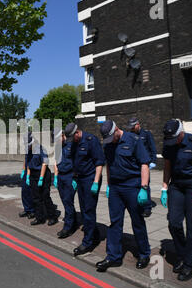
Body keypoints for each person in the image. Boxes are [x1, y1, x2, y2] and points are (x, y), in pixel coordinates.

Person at [96, 120, 151, 272]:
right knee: (115, 222)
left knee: (137, 221)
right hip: (115, 188)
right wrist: (108, 185)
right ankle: (113, 257)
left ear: (117, 130)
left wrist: (144, 188)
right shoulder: (108, 144)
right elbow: (109, 165)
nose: (109, 141)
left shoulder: (134, 140)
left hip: (132, 186)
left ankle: (144, 254)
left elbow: (144, 164)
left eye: (110, 137)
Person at [161, 119, 192, 281]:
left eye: (174, 138)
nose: (172, 142)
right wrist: (164, 187)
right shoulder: (169, 143)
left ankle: (190, 264)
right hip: (176, 186)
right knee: (174, 222)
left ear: (181, 132)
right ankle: (182, 254)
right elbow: (167, 165)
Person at [65, 123, 105, 256]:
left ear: (77, 132)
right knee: (84, 209)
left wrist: (95, 182)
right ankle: (95, 233)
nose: (72, 141)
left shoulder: (91, 140)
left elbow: (99, 162)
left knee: (88, 209)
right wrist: (75, 178)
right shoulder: (74, 143)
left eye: (73, 138)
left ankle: (88, 242)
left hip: (90, 179)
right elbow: (75, 162)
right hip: (80, 179)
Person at [127, 117, 158, 218]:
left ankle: (147, 208)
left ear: (138, 124)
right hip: (134, 165)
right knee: (135, 185)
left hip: (145, 164)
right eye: (130, 127)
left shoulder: (146, 134)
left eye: (133, 126)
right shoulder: (130, 134)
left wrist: (153, 161)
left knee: (145, 186)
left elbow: (152, 148)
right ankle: (138, 204)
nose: (131, 129)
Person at [26, 134, 60, 226]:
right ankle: (39, 217)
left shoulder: (41, 149)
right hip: (33, 174)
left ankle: (52, 217)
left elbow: (45, 164)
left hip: (43, 174)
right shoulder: (28, 150)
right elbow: (28, 164)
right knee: (36, 198)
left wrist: (41, 178)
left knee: (45, 197)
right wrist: (28, 176)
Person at [53, 128, 78, 238]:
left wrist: (75, 178)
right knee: (65, 201)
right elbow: (55, 161)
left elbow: (77, 161)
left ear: (63, 135)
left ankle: (68, 227)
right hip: (61, 176)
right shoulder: (57, 147)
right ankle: (74, 221)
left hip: (69, 176)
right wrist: (55, 176)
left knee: (68, 202)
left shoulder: (72, 145)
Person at [19, 133, 35, 219]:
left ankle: (32, 210)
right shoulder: (27, 148)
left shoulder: (36, 149)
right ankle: (27, 209)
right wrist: (23, 170)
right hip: (26, 171)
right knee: (24, 191)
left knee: (31, 192)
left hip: (33, 171)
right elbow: (25, 160)